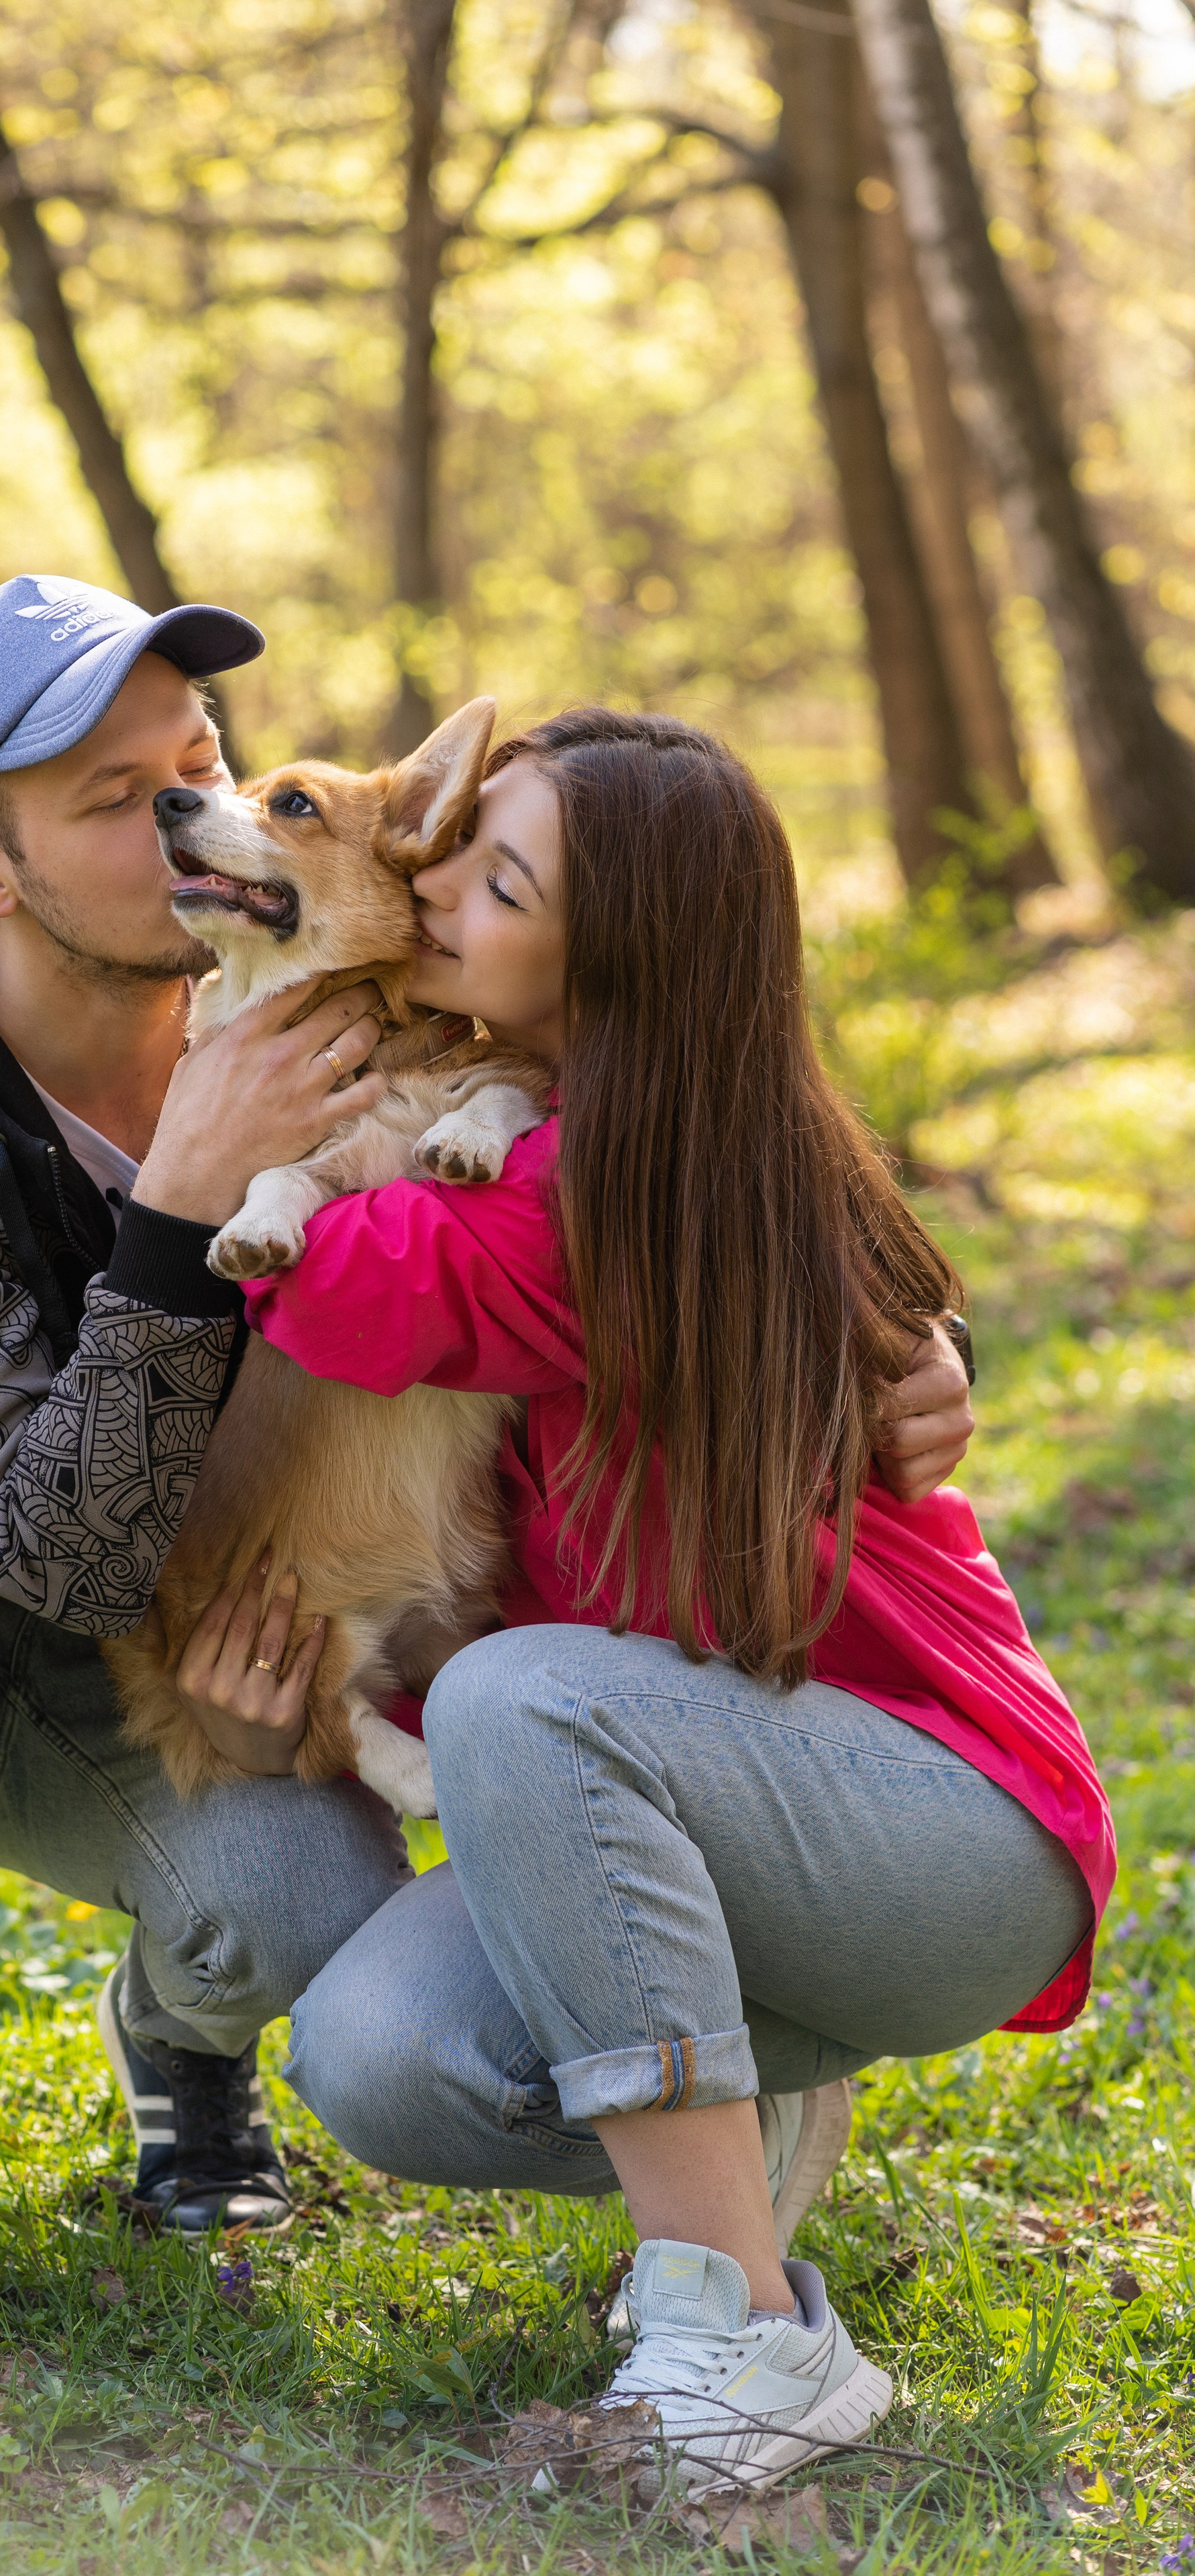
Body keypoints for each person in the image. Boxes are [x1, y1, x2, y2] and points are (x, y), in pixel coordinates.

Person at [0, 593, 974, 2363]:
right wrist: (180, 1208)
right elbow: (56, 1560)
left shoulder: (331, 991)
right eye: (114, 799)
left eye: (201, 762)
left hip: (242, 1644)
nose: (189, 808)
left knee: (313, 1921)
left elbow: (676, 1162)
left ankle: (181, 2021)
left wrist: (912, 1360)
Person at [183, 708, 1112, 2496]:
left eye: (494, 874)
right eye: (454, 847)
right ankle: (741, 2107)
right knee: (383, 2056)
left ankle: (748, 2337)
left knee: (518, 1697)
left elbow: (329, 1280)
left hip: (947, 1831)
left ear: (615, 958)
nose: (433, 878)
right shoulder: (668, 1137)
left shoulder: (587, 1197)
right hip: (736, 1810)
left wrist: (217, 1128)